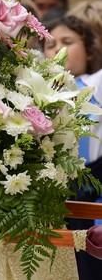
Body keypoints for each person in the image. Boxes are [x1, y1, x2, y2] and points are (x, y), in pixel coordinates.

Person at [43, 15, 102, 280]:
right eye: (50, 44)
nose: (58, 50)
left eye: (68, 42)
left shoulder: (94, 84)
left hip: (88, 191)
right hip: (49, 196)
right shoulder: (37, 90)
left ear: (89, 50)